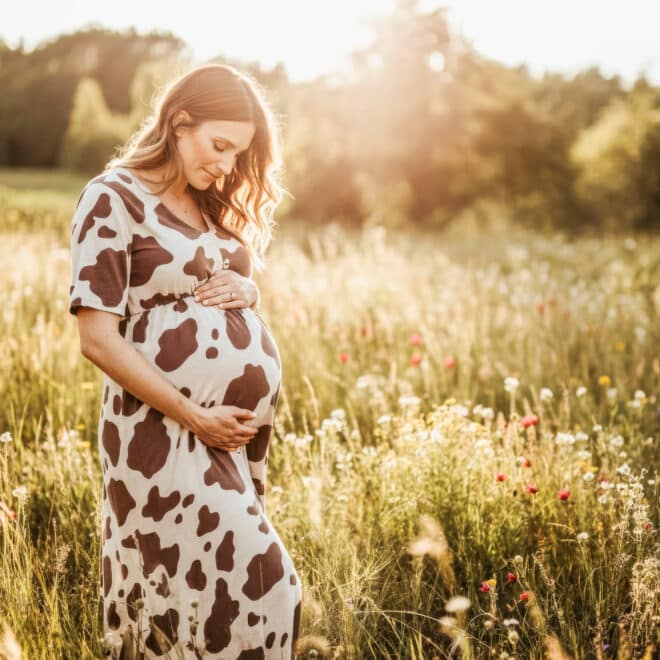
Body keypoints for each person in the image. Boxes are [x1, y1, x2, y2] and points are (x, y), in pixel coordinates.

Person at [68, 63, 302, 659]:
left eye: (238, 152)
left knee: (203, 593)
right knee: (270, 584)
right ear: (178, 123)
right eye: (219, 145)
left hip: (230, 439)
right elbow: (96, 337)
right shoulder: (112, 199)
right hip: (160, 429)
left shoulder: (211, 203)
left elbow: (221, 287)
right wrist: (193, 414)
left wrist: (249, 293)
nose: (227, 164)